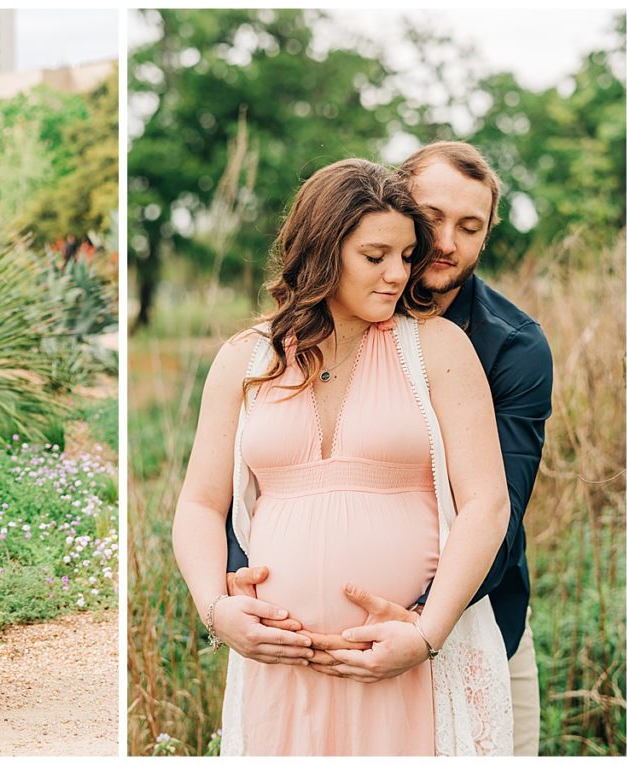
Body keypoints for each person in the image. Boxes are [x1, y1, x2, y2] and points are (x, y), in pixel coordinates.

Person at [173, 158, 513, 755]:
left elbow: (487, 503)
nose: (396, 274)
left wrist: (427, 633)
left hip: (407, 658)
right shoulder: (245, 359)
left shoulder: (437, 347)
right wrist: (215, 610)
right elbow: (200, 503)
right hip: (282, 665)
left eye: (406, 257)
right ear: (323, 249)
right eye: (375, 256)